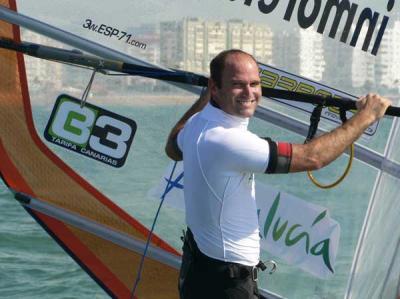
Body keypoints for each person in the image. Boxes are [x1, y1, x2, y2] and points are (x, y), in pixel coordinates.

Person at [165, 49, 391, 299]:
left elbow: (173, 144)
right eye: (237, 85)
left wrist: (207, 98)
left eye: (254, 84)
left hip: (200, 271)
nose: (249, 93)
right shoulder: (228, 141)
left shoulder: (198, 124)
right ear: (215, 87)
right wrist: (367, 115)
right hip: (225, 285)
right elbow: (312, 157)